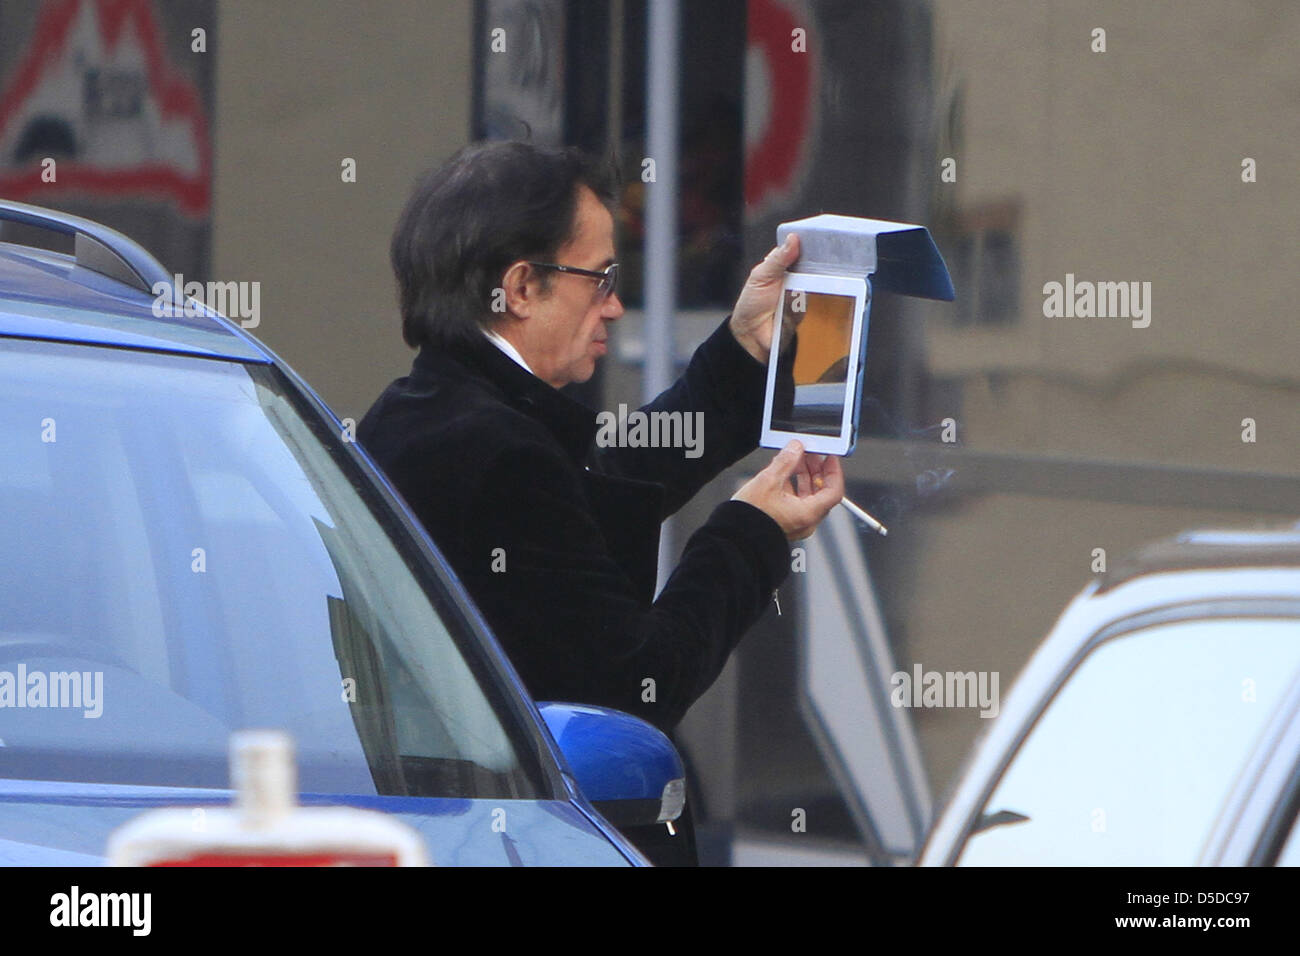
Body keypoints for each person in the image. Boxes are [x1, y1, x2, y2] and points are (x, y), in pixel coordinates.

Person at [358, 140, 844, 864]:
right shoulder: (501, 455)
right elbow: (635, 689)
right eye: (602, 278)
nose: (616, 305)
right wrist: (754, 530)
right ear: (521, 288)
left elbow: (603, 479)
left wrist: (743, 350)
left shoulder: (422, 412)